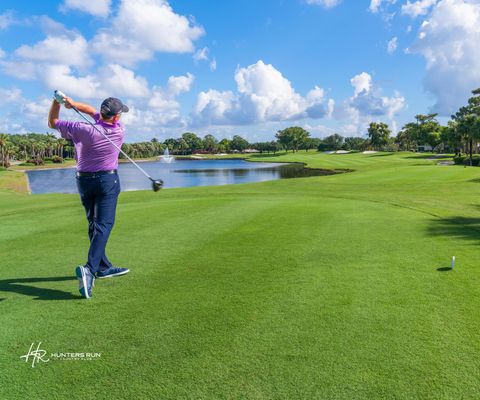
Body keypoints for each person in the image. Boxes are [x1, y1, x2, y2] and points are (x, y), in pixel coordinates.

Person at [48, 95, 130, 299]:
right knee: (104, 224)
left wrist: (59, 102)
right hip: (107, 181)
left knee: (93, 225)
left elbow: (52, 122)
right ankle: (90, 269)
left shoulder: (82, 129)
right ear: (116, 116)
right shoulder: (118, 130)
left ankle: (102, 267)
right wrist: (73, 103)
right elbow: (93, 112)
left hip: (83, 181)